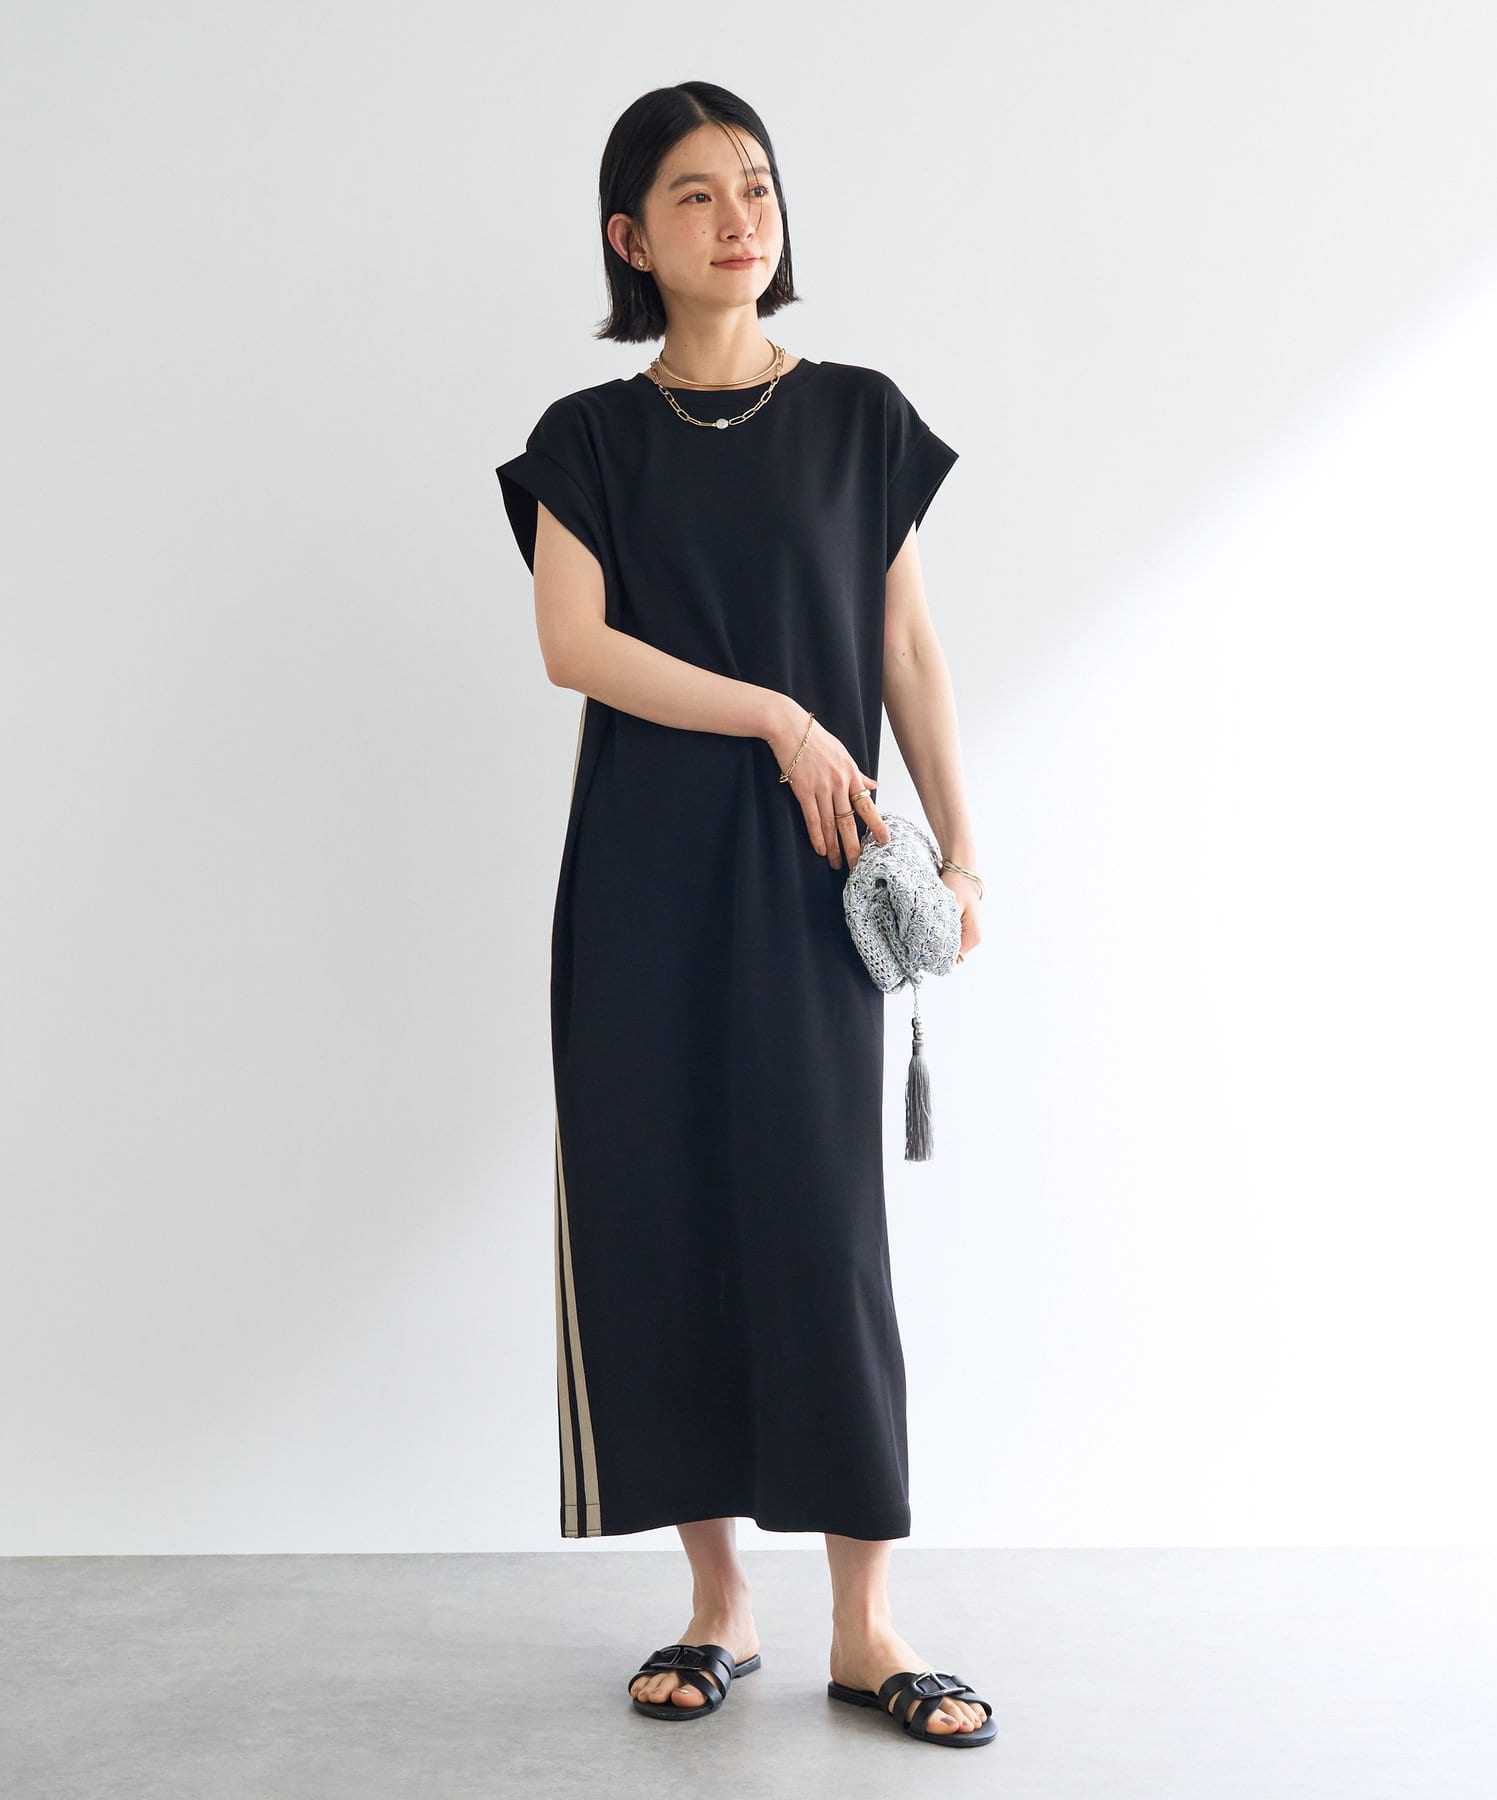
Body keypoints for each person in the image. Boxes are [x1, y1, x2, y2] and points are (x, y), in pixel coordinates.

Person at [495, 82, 993, 1748]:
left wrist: (966, 857)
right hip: (640, 882)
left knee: (820, 1231)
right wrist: (781, 715)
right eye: (697, 194)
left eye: (758, 185)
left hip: (810, 884)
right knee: (660, 1217)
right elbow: (574, 647)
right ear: (630, 238)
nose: (739, 217)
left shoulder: (857, 417)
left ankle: (867, 1624)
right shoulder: (589, 440)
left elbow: (906, 647)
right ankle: (720, 1606)